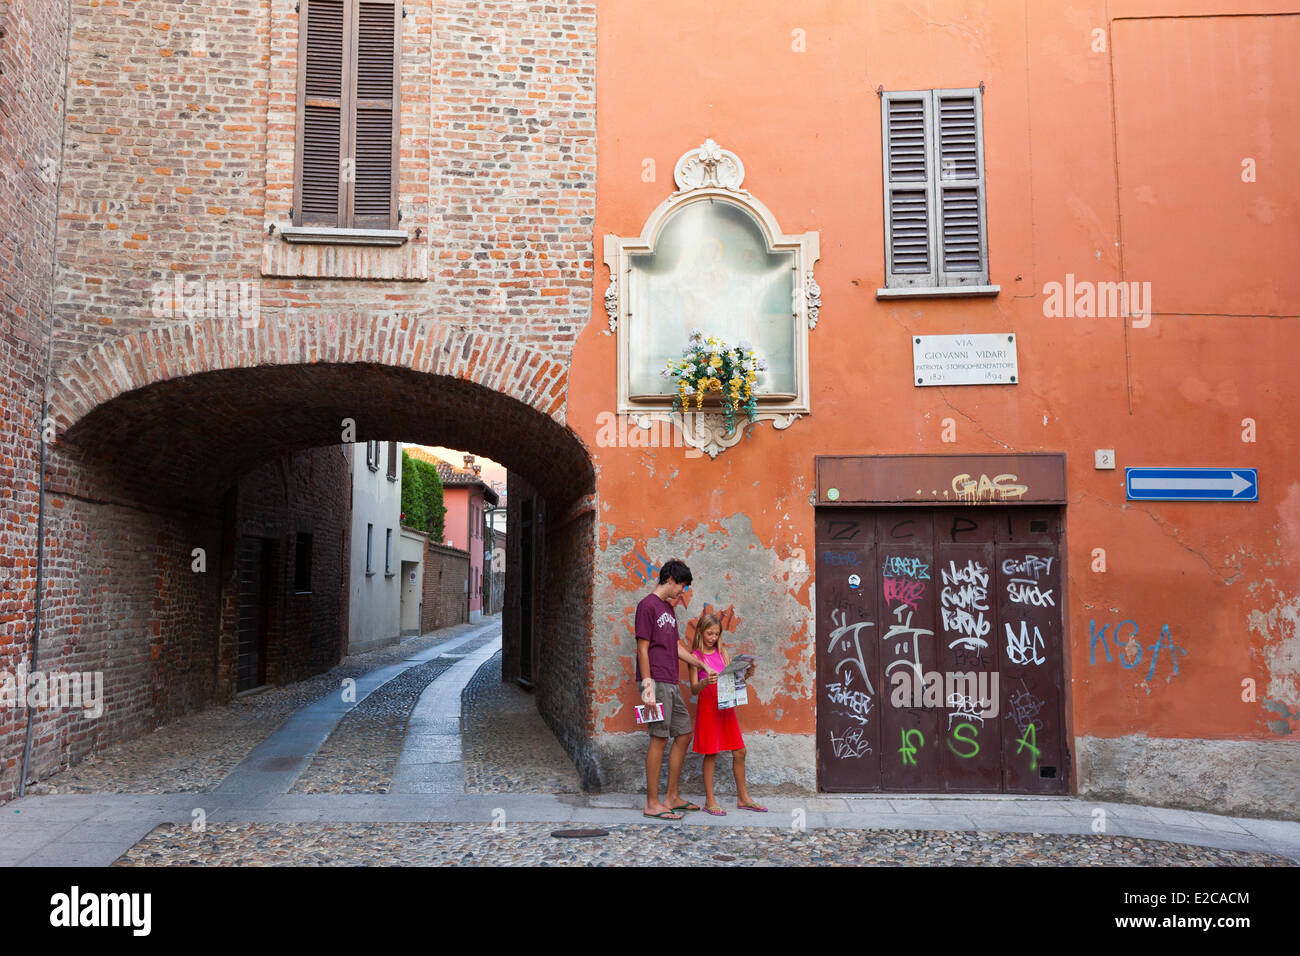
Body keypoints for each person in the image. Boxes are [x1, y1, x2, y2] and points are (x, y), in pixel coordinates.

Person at [636, 559, 718, 820]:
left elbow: (676, 646)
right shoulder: (647, 606)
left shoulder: (668, 610)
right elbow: (642, 649)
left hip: (671, 681)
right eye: (681, 586)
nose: (682, 591)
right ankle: (652, 803)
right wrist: (647, 687)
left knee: (683, 734)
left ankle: (671, 796)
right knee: (659, 738)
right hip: (656, 681)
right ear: (669, 579)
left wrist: (701, 662)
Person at [687, 612, 767, 815]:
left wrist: (745, 674)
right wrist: (704, 682)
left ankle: (743, 797)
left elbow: (731, 682)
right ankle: (710, 800)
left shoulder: (723, 653)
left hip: (726, 707)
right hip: (708, 708)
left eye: (716, 634)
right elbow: (693, 689)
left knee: (740, 751)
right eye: (709, 633)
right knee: (711, 753)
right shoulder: (696, 656)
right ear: (700, 632)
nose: (713, 638)